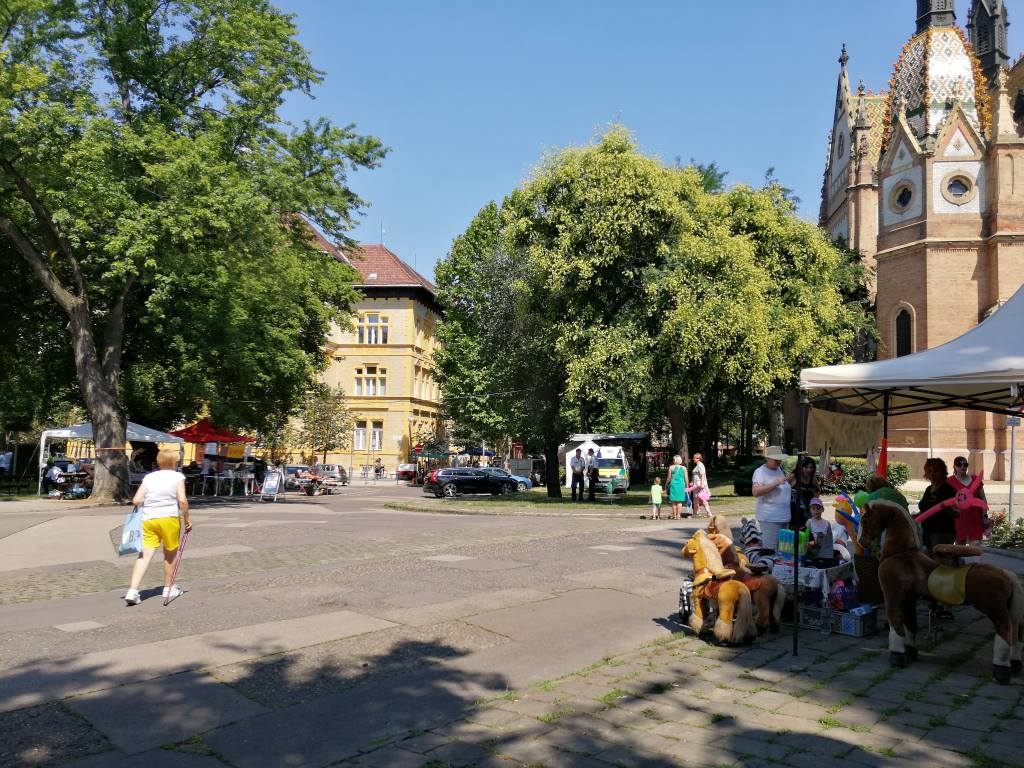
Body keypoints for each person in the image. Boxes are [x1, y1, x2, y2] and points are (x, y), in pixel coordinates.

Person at [124, 450, 191, 605]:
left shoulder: (149, 477)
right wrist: (187, 519)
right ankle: (168, 588)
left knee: (144, 555)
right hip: (169, 518)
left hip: (148, 519)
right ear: (174, 462)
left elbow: (136, 500)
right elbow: (182, 501)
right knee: (170, 555)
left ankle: (133, 591)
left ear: (159, 461)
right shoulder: (177, 477)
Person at [751, 446, 792, 550]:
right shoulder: (760, 472)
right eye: (775, 459)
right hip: (770, 518)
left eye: (779, 459)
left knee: (784, 550)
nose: (778, 461)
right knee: (771, 550)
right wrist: (776, 483)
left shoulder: (779, 470)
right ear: (767, 458)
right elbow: (756, 492)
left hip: (784, 517)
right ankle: (768, 566)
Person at [917, 457, 957, 554]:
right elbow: (925, 509)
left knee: (940, 563)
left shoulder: (949, 490)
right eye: (929, 470)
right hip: (927, 532)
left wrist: (949, 509)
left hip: (942, 533)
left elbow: (958, 513)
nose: (932, 473)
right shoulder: (928, 489)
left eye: (936, 471)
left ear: (942, 472)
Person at [950, 455, 987, 545]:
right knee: (959, 550)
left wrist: (985, 516)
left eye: (965, 464)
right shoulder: (950, 481)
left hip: (975, 520)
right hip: (959, 521)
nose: (962, 466)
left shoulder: (975, 480)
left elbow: (983, 500)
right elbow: (946, 502)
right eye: (959, 464)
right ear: (954, 466)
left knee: (975, 550)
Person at [789, 456, 820, 530]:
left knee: (807, 534)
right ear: (800, 467)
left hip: (808, 512)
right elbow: (782, 485)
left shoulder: (812, 478)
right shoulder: (794, 476)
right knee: (796, 536)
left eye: (811, 467)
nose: (808, 470)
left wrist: (814, 503)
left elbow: (817, 490)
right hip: (795, 512)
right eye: (806, 467)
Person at [666, 454, 689, 520]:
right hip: (681, 485)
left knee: (673, 501)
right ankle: (679, 515)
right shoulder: (684, 468)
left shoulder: (671, 467)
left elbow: (669, 477)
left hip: (673, 485)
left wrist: (666, 484)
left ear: (674, 460)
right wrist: (687, 486)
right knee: (680, 502)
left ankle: (674, 515)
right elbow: (686, 478)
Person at [690, 452, 711, 517]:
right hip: (696, 485)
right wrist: (692, 482)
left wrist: (702, 484)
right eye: (693, 458)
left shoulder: (700, 465)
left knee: (702, 498)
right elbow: (696, 475)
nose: (693, 459)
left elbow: (702, 475)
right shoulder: (697, 465)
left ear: (698, 458)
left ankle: (709, 512)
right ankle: (695, 513)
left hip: (699, 485)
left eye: (694, 458)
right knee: (696, 499)